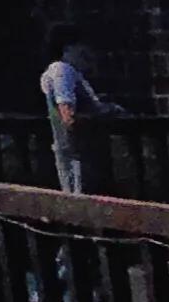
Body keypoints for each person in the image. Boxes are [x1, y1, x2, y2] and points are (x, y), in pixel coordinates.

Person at [39, 32, 121, 195]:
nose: (87, 54)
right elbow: (67, 111)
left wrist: (109, 108)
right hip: (78, 150)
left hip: (80, 149)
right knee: (82, 193)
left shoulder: (69, 72)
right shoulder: (62, 70)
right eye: (81, 49)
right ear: (67, 49)